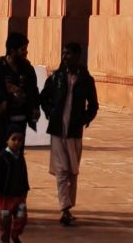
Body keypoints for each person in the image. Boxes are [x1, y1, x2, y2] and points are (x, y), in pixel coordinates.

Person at [0, 32, 40, 232]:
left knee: (13, 170)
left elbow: (33, 93)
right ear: (12, 50)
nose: (25, 52)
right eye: (22, 49)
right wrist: (6, 96)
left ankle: (6, 214)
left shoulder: (27, 70)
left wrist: (32, 106)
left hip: (18, 127)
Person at [40, 41, 98, 226]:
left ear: (78, 56)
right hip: (57, 130)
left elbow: (94, 105)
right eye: (63, 53)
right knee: (62, 170)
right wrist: (50, 111)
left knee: (73, 170)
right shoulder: (57, 77)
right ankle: (64, 208)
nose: (65, 57)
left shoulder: (86, 80)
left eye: (69, 54)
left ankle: (68, 206)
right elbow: (43, 97)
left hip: (74, 131)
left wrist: (85, 118)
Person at [0, 129, 30, 243]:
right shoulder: (3, 157)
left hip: (19, 195)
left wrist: (25, 189)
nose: (17, 142)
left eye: (20, 140)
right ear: (7, 140)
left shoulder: (20, 157)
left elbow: (24, 174)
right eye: (13, 139)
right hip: (6, 195)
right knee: (5, 219)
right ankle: (5, 241)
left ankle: (15, 235)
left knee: (21, 217)